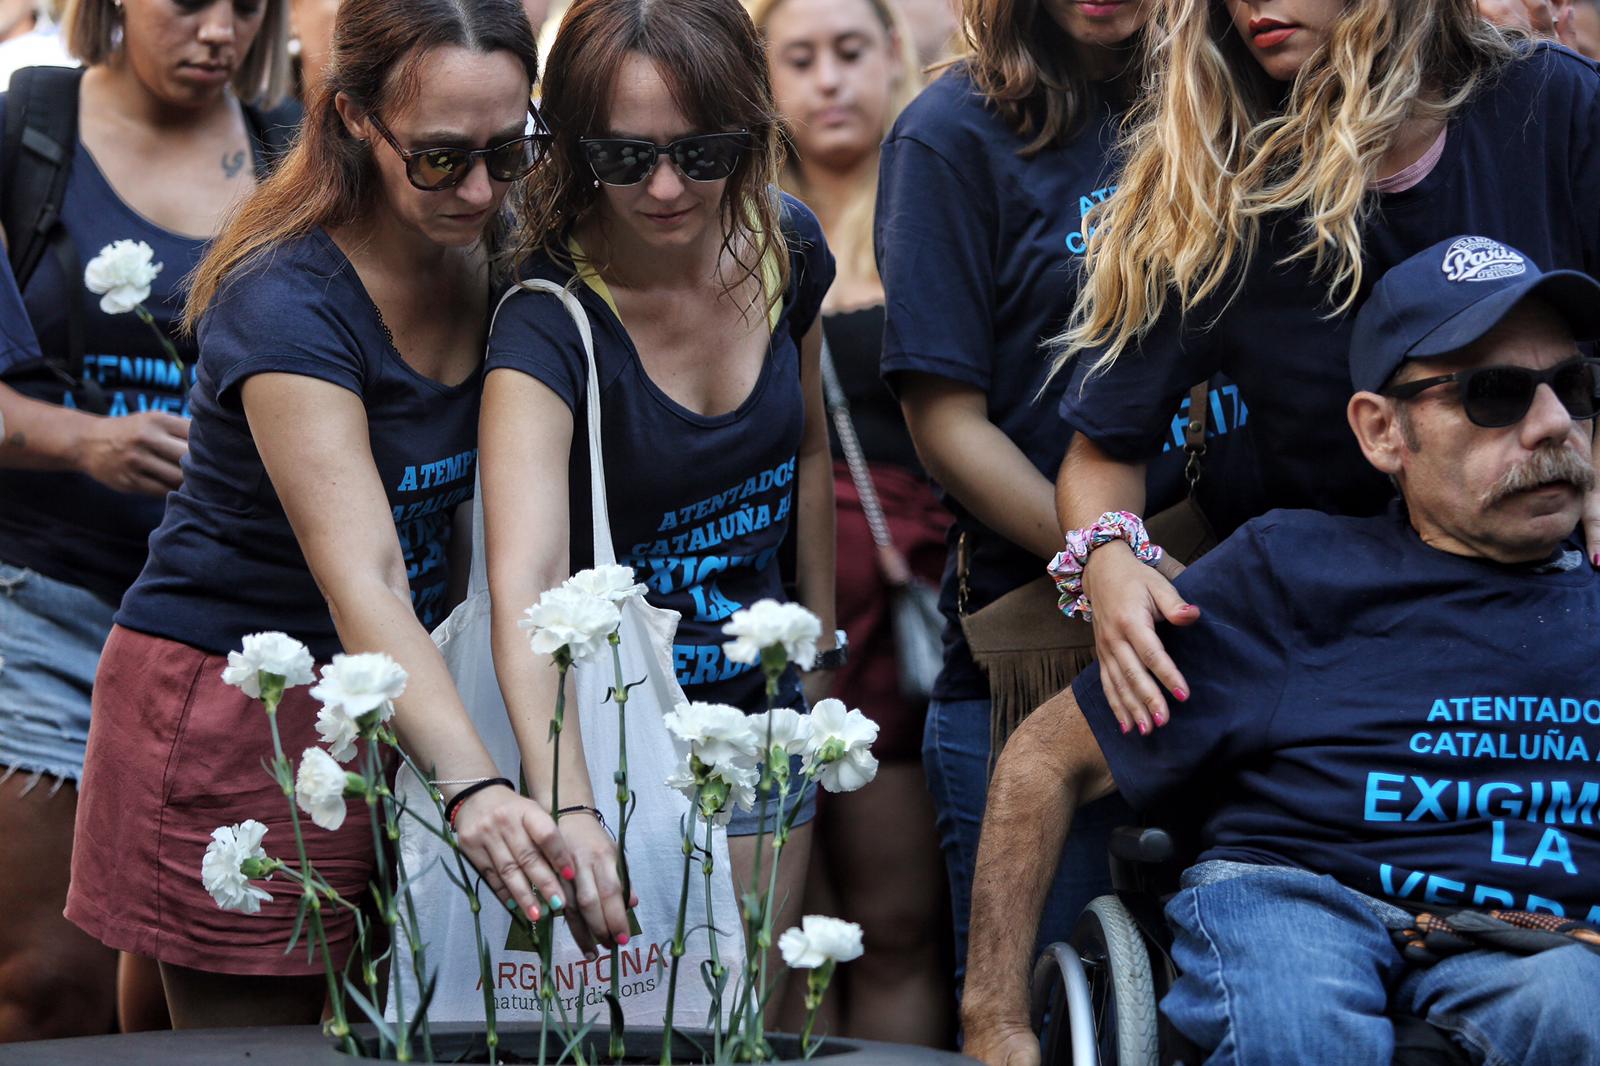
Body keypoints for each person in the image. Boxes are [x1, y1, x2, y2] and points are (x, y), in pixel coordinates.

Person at [62, 0, 595, 1029]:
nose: (482, 190)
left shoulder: (499, 244)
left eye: (510, 148)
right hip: (235, 701)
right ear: (353, 118)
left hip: (392, 698)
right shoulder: (287, 297)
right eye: (440, 159)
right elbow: (370, 578)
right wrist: (476, 786)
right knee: (253, 1039)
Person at [965, 238, 1600, 1066]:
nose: (1553, 423)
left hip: (1527, 938)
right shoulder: (1291, 573)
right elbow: (1043, 761)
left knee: (1575, 1011)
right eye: (1495, 395)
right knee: (1301, 1029)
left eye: (1575, 387)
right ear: (1381, 432)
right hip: (1297, 901)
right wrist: (994, 1025)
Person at [1055, 0, 1600, 737]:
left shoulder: (1553, 102)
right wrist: (1110, 559)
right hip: (1339, 642)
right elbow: (1102, 448)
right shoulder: (1218, 177)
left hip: (1566, 609)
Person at [877, 0, 1254, 998]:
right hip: (1043, 643)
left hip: (1246, 632)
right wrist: (1119, 559)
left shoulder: (1232, 87)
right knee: (1051, 1006)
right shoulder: (948, 130)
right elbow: (945, 425)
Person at [481, 0, 837, 1014]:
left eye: (704, 151)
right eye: (625, 159)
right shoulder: (548, 314)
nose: (669, 188)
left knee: (747, 1028)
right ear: (572, 147)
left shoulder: (785, 247)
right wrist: (569, 799)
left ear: (751, 130)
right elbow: (527, 582)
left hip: (761, 719)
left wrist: (819, 635)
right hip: (609, 746)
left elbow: (807, 446)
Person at [0, 0, 290, 1039]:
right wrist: (84, 441)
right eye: (189, 2)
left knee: (188, 1001)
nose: (218, 30)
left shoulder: (288, 150)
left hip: (231, 637)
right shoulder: (29, 129)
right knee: (45, 980)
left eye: (246, 7)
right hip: (52, 600)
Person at [753, 0, 951, 1044]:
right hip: (758, 605)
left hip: (899, 614)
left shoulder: (935, 199)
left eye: (849, 52)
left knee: (895, 921)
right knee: (769, 928)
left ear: (896, 58)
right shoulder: (734, 220)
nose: (829, 79)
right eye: (800, 58)